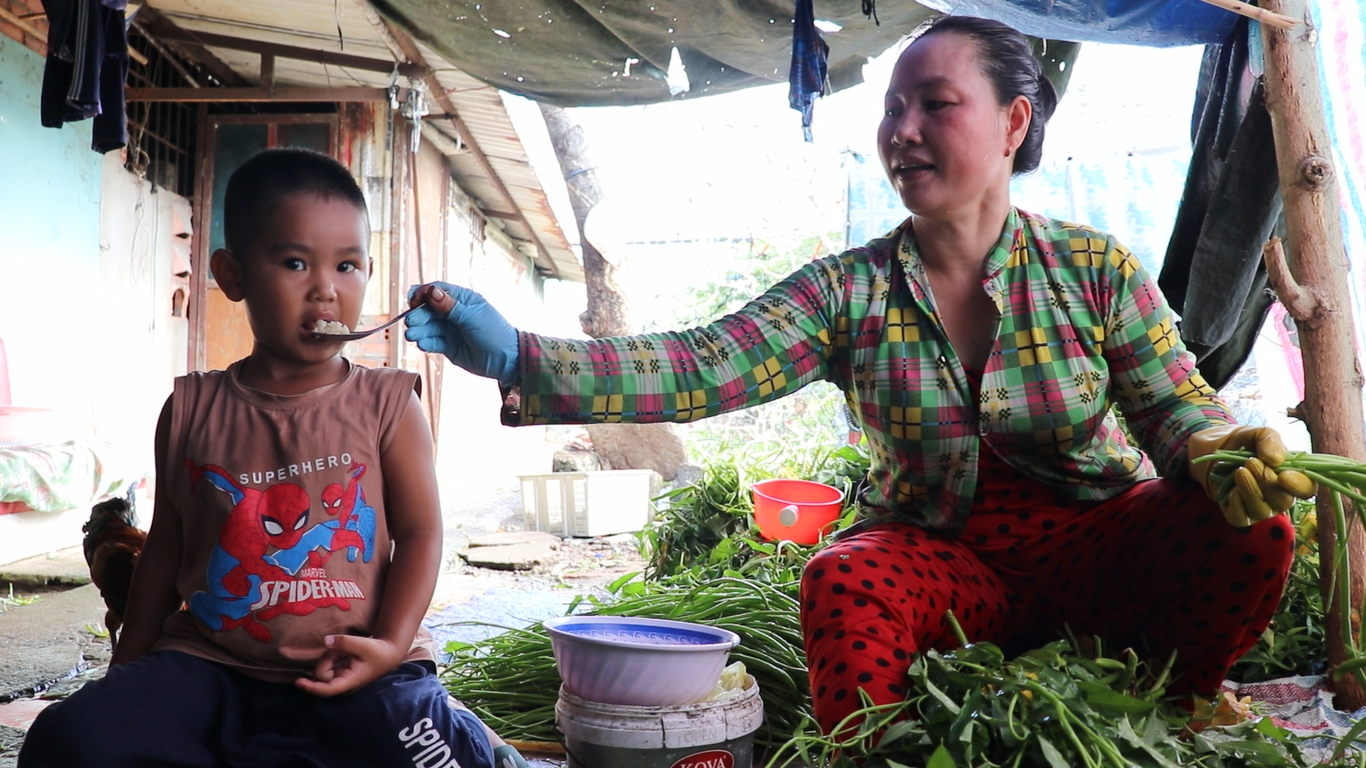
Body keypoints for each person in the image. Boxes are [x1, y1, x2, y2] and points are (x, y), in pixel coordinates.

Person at [402, 16, 1311, 736]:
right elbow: (705, 364)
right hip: (943, 563)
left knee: (1255, 527)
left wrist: (1224, 449)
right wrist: (523, 355)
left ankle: (1177, 701)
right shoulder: (850, 290)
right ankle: (881, 744)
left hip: (1092, 549)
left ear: (1014, 124)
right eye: (892, 109)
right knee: (842, 577)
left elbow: (1172, 404)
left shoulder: (1093, 270)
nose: (902, 131)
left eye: (936, 104)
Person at [19, 148, 527, 768]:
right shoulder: (190, 408)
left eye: (348, 265)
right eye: (294, 262)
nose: (326, 289)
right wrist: (127, 671)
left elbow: (421, 535)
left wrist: (392, 647)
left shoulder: (388, 403)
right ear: (232, 276)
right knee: (70, 740)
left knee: (430, 752)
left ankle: (483, 746)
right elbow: (167, 552)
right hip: (210, 666)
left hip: (358, 663)